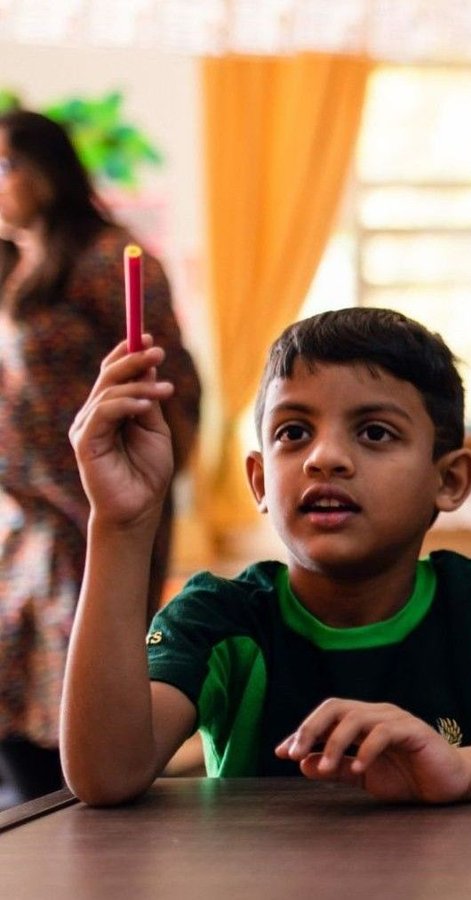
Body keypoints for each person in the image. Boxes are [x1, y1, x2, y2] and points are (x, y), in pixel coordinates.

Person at [60, 308, 471, 806]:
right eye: (293, 432)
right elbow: (105, 775)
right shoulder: (219, 616)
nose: (325, 457)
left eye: (375, 432)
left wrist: (461, 769)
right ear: (259, 481)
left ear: (449, 480)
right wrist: (121, 523)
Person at [0, 109, 200, 806]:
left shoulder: (110, 259)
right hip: (22, 516)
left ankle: (75, 825)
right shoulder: (17, 263)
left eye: (5, 166)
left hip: (88, 511)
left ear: (48, 172)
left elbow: (174, 378)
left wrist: (144, 498)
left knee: (75, 690)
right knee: (14, 686)